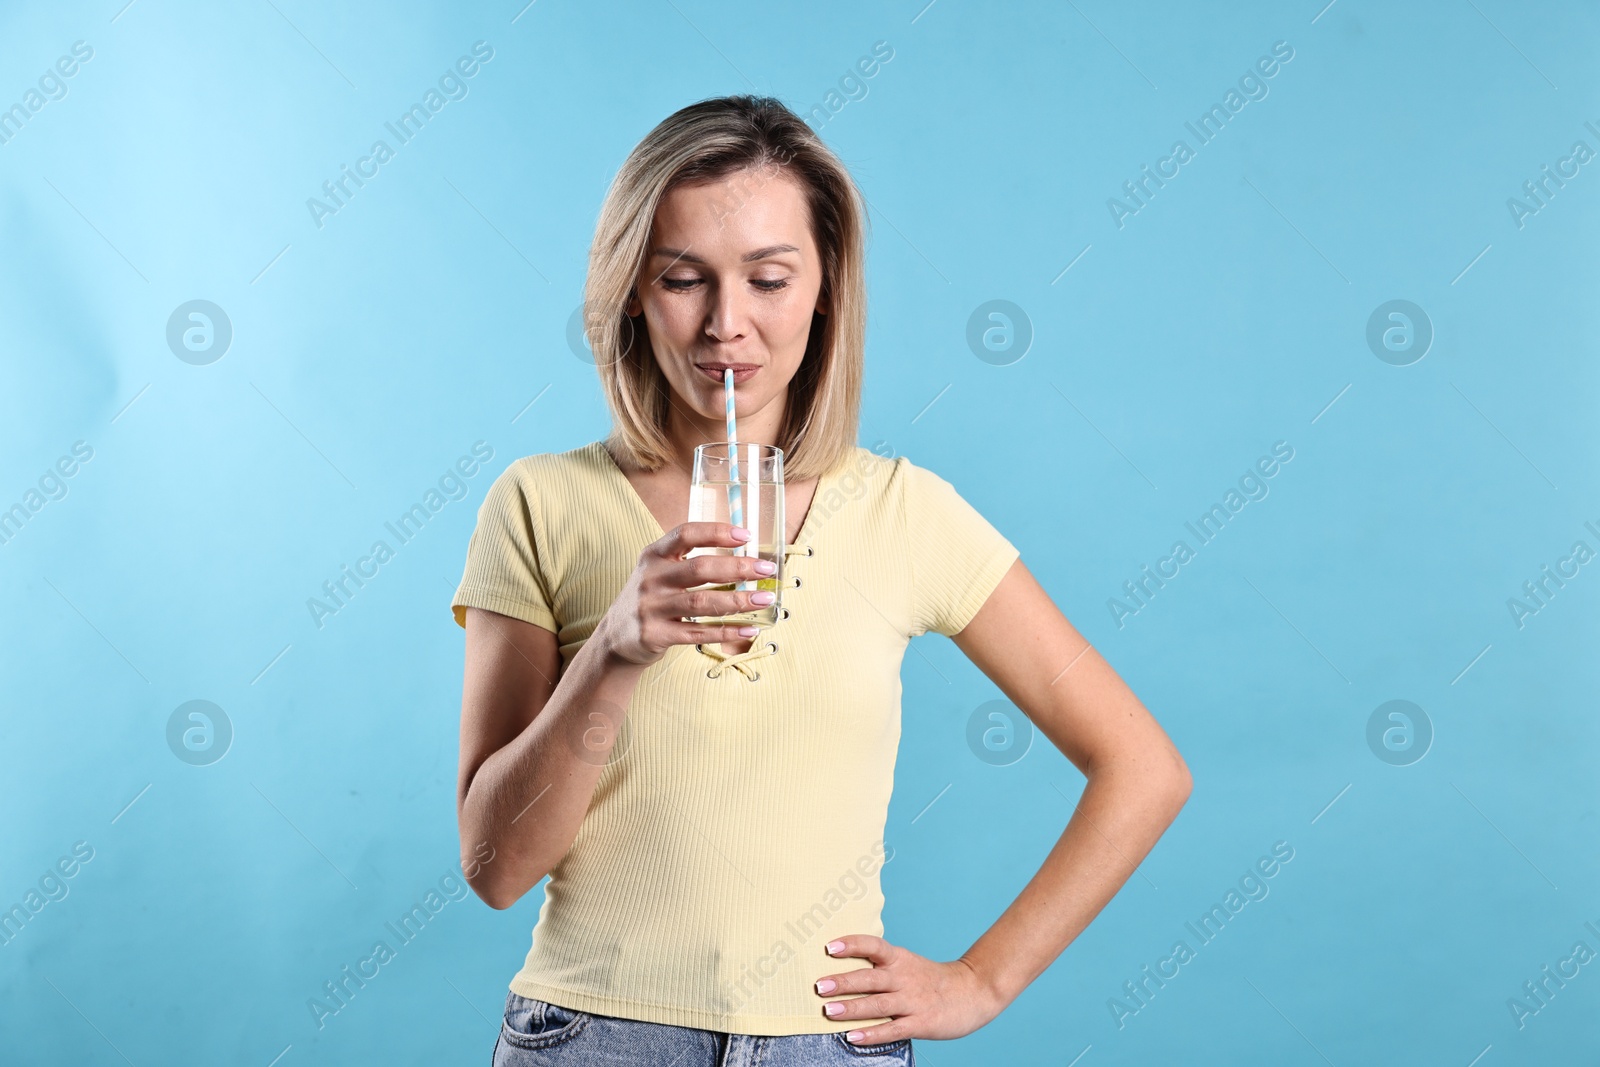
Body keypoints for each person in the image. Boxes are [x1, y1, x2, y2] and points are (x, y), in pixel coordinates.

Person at [451, 94, 1191, 1066]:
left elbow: (1144, 767)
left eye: (768, 278)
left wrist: (982, 978)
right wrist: (615, 651)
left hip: (828, 1045)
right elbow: (494, 867)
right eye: (682, 279)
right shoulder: (539, 502)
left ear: (826, 288)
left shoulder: (904, 510)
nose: (727, 325)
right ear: (632, 287)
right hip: (593, 1036)